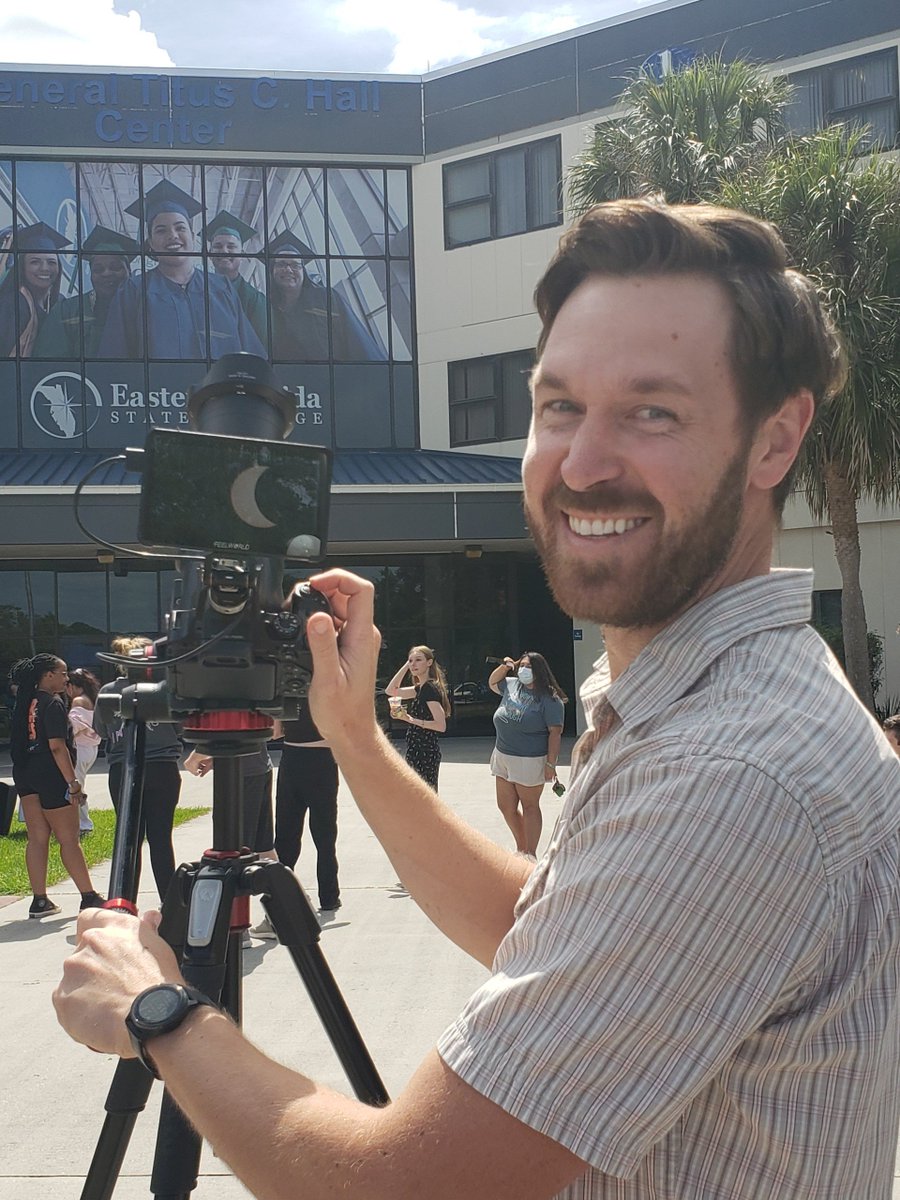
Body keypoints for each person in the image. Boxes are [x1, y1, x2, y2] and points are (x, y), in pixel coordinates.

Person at [55, 200, 900, 1200]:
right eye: (558, 407)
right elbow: (536, 931)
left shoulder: (726, 773)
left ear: (776, 439)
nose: (582, 464)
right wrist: (354, 735)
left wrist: (158, 1011)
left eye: (652, 411)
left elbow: (410, 1187)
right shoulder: (705, 698)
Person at [98, 180, 266, 360]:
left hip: (219, 388)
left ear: (193, 237)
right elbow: (115, 359)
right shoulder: (133, 291)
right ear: (151, 244)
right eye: (161, 231)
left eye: (180, 228)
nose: (173, 235)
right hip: (158, 388)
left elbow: (251, 355)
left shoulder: (222, 288)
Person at [9, 655, 104, 918]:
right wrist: (73, 783)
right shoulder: (53, 703)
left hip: (25, 771)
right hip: (51, 773)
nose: (66, 678)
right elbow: (57, 746)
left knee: (37, 838)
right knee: (68, 838)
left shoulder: (25, 701)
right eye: (62, 673)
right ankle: (88, 896)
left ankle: (39, 900)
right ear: (47, 675)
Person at [93, 636, 183, 901]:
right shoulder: (163, 688)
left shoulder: (108, 691)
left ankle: (124, 900)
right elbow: (179, 726)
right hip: (163, 767)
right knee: (161, 839)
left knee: (128, 840)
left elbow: (101, 730)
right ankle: (170, 901)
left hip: (124, 768)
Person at [252, 698, 341, 935]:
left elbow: (275, 732)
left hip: (294, 759)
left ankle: (282, 897)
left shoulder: (288, 691)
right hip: (321, 759)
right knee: (324, 835)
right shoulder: (326, 688)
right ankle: (329, 897)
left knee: (287, 836)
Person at [488, 651, 565, 855]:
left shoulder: (549, 699)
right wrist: (506, 666)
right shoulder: (512, 684)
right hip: (503, 754)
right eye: (521, 665)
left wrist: (551, 764)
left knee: (530, 806)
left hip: (529, 760)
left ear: (539, 670)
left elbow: (555, 734)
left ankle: (530, 854)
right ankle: (521, 846)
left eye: (528, 666)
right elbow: (493, 681)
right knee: (505, 806)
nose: (523, 669)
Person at [267, 229, 385, 361]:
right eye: (281, 264)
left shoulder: (326, 299)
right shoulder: (267, 309)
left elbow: (356, 340)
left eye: (295, 265)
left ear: (303, 271)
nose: (288, 269)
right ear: (272, 271)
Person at [34, 226, 140, 358]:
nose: (106, 273)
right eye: (98, 269)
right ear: (91, 275)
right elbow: (49, 362)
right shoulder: (67, 310)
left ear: (129, 272)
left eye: (115, 267)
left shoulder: (143, 308)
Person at [0, 222, 69, 357]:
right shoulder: (13, 303)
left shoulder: (58, 304)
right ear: (22, 267)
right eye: (35, 262)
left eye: (51, 262)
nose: (44, 268)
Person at [385, 645, 450, 788]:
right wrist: (406, 666)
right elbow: (391, 690)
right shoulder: (420, 688)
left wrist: (410, 719)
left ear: (429, 662)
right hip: (415, 749)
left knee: (424, 798)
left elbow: (440, 725)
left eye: (418, 660)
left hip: (425, 751)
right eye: (410, 660)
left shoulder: (429, 688)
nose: (413, 664)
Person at [204, 210, 268, 346]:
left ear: (242, 254)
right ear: (210, 254)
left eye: (231, 246)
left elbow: (260, 344)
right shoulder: (196, 290)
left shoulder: (255, 299)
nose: (224, 251)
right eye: (218, 246)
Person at [66, 667, 102, 835]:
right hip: (91, 748)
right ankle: (81, 823)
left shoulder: (78, 701)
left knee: (76, 786)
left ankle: (84, 824)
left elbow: (74, 726)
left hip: (79, 748)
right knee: (79, 784)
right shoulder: (92, 699)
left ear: (73, 685)